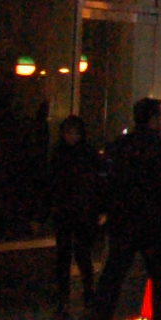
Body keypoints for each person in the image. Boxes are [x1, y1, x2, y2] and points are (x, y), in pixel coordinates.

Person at [91, 97, 161, 320]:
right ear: (154, 119)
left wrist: (106, 209)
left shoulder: (120, 146)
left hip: (123, 221)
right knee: (160, 280)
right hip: (153, 223)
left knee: (112, 277)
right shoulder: (159, 148)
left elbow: (106, 181)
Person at [46, 115, 105, 310]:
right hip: (72, 209)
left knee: (79, 253)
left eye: (75, 133)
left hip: (78, 210)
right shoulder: (72, 154)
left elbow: (96, 183)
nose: (72, 137)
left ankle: (82, 292)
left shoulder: (72, 154)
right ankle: (73, 293)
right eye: (69, 133)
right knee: (69, 253)